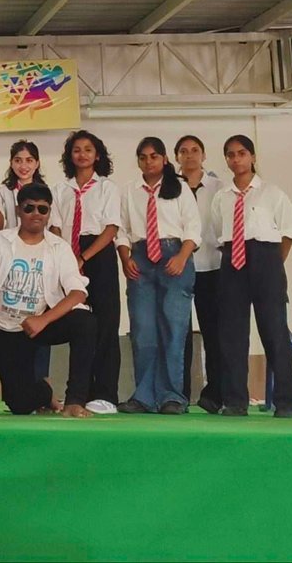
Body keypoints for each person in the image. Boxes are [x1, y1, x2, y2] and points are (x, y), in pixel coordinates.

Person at [0, 183, 99, 417]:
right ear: (18, 210)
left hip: (39, 325)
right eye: (29, 208)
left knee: (85, 321)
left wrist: (43, 320)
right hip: (3, 327)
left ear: (49, 212)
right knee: (20, 404)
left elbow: (78, 292)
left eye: (42, 209)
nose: (36, 214)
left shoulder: (59, 246)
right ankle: (45, 392)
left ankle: (75, 400)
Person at [212, 135, 292, 417]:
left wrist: (271, 265)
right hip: (232, 262)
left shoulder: (272, 193)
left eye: (241, 153)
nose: (236, 159)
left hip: (266, 260)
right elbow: (218, 231)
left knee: (274, 332)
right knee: (232, 335)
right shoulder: (221, 197)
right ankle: (235, 401)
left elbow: (287, 233)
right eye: (230, 155)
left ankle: (286, 401)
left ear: (252, 157)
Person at [116, 138, 201, 415]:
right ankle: (143, 396)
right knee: (143, 331)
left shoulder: (180, 189)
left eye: (154, 156)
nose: (148, 162)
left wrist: (182, 257)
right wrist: (125, 258)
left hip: (174, 257)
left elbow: (193, 227)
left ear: (164, 159)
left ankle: (171, 396)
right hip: (140, 260)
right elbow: (122, 230)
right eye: (143, 157)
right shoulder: (130, 191)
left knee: (173, 329)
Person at [52, 129, 122, 414]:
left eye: (88, 149)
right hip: (67, 252)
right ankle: (81, 392)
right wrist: (67, 257)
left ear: (98, 155)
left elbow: (111, 228)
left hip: (98, 253)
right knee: (80, 323)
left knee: (106, 323)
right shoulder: (61, 190)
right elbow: (55, 226)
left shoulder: (107, 188)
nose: (82, 154)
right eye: (77, 150)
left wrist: (84, 257)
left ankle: (105, 394)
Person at [0, 140, 52, 385]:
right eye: (18, 160)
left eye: (29, 160)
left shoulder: (47, 191)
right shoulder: (2, 191)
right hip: (9, 260)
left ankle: (42, 385)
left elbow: (54, 228)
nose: (24, 165)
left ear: (37, 163)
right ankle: (18, 387)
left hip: (39, 259)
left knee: (40, 318)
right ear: (11, 163)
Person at [175, 134, 225, 413]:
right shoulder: (170, 187)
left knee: (213, 333)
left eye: (195, 150)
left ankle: (215, 393)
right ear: (177, 157)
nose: (190, 155)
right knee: (179, 333)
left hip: (211, 266)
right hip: (178, 267)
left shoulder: (219, 188)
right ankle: (178, 393)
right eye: (183, 151)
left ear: (204, 155)